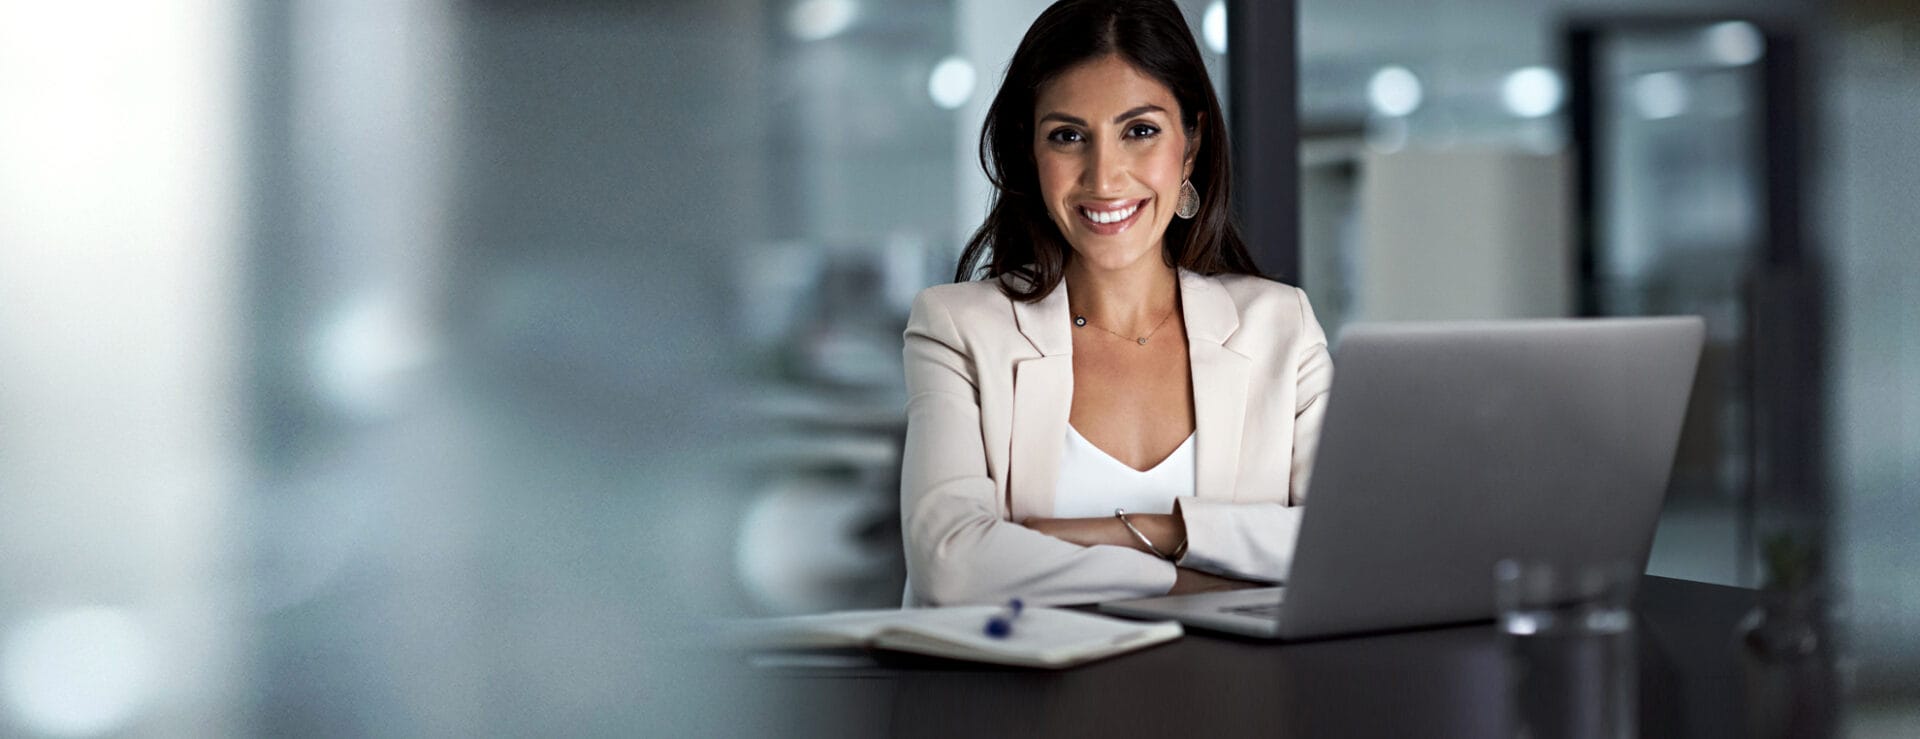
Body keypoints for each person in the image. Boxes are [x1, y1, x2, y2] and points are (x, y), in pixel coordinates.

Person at [900, 0, 1332, 607]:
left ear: (1192, 142)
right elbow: (952, 567)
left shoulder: (1279, 327)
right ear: (1031, 152)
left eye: (1140, 131)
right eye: (1069, 136)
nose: (1103, 179)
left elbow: (1342, 548)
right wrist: (1195, 576)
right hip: (1015, 699)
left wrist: (1160, 530)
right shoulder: (958, 329)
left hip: (1232, 698)